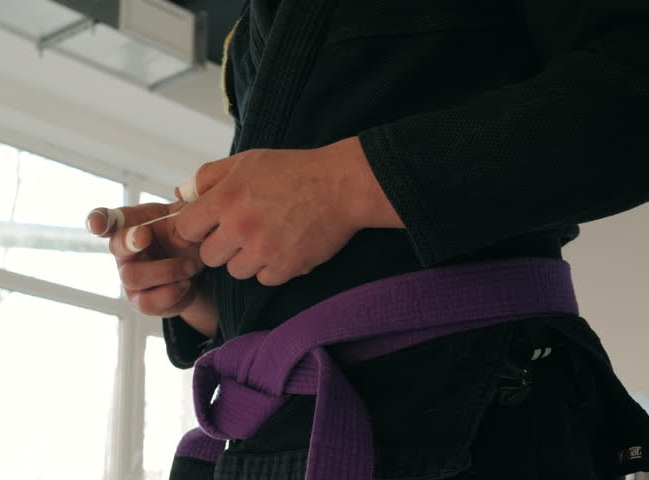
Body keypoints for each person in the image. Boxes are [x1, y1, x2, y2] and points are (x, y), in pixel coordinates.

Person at [87, 0, 649, 478]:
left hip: (471, 416)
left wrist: (348, 185)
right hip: (282, 434)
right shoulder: (253, 29)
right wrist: (215, 285)